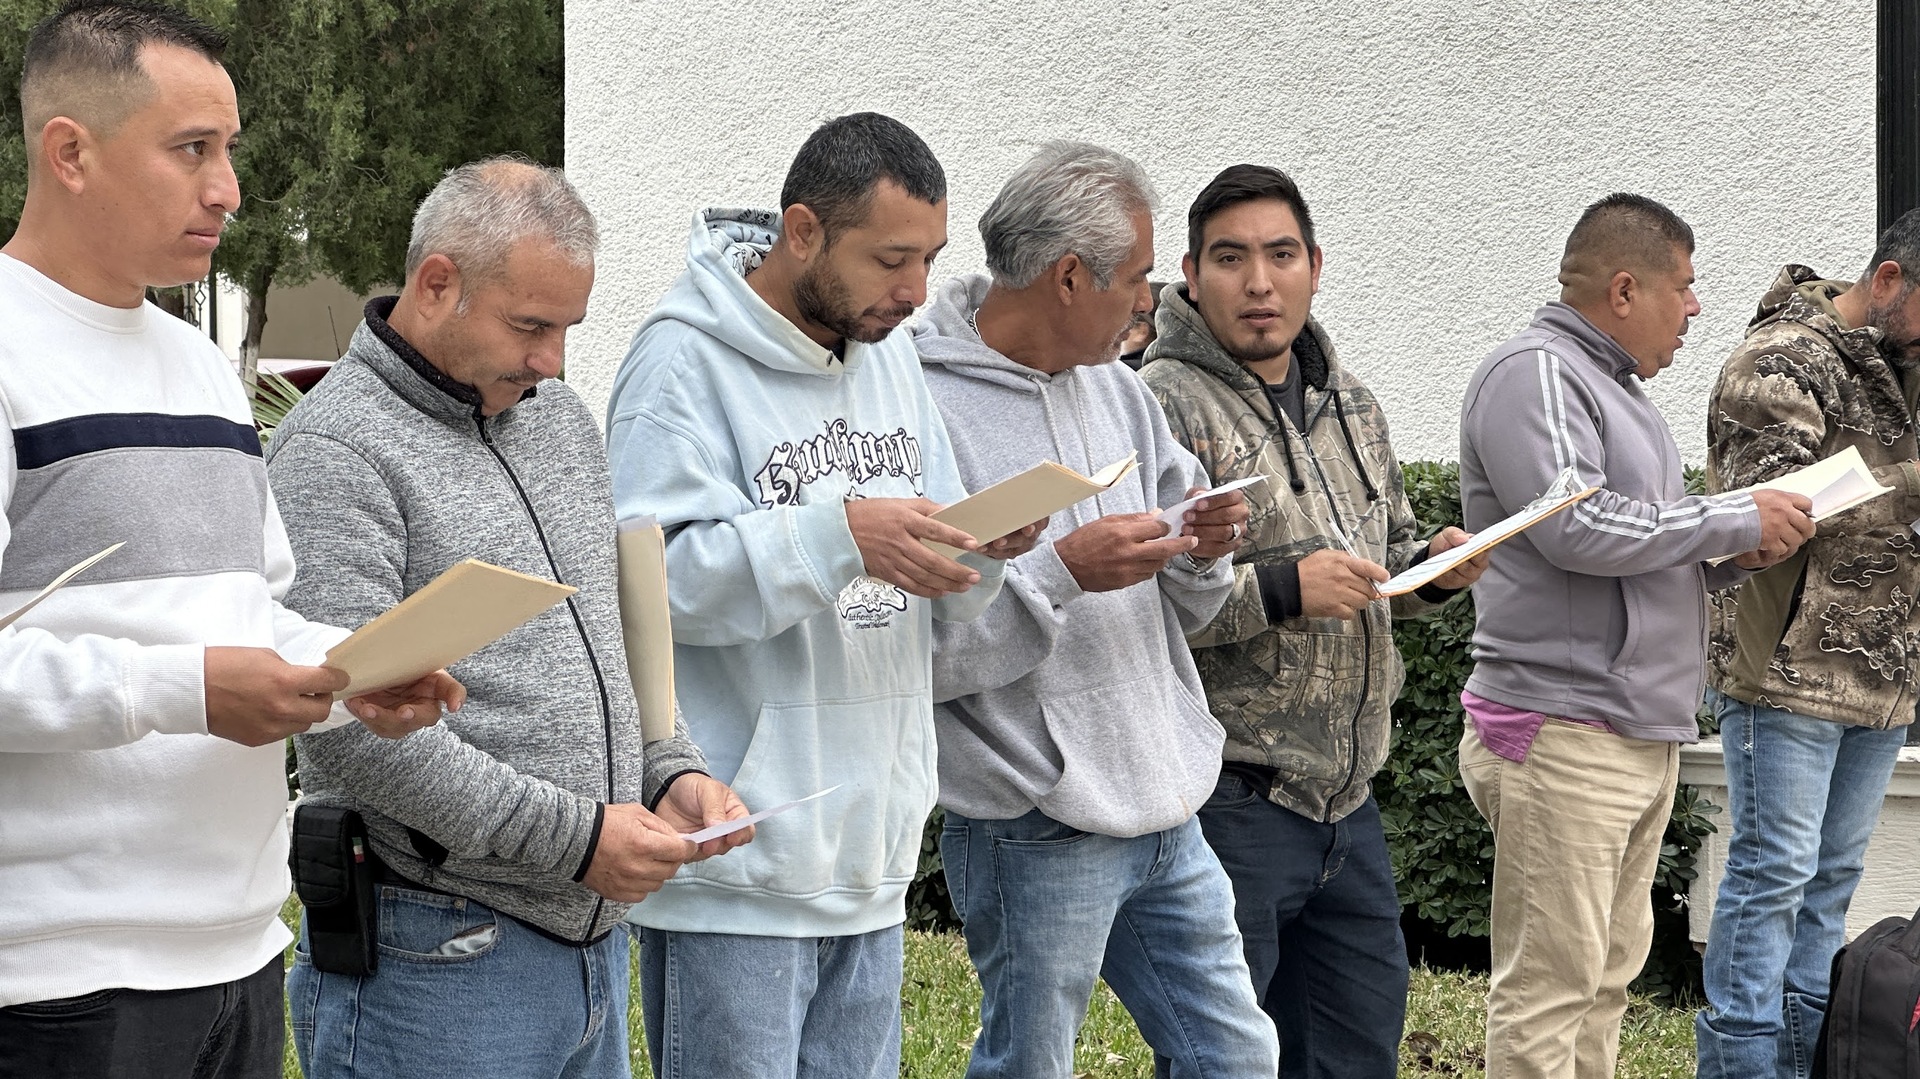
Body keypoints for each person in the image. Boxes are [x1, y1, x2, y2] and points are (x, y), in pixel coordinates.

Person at [0, 5, 459, 1077]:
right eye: (192, 149)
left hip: (244, 942)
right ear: (70, 151)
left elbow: (256, 609)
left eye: (230, 150)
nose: (229, 189)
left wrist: (350, 673)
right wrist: (188, 690)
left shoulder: (204, 364)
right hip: (56, 974)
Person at [266, 157, 748, 1078]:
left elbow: (606, 644)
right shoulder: (333, 450)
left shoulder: (560, 421)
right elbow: (347, 729)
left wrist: (667, 767)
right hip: (433, 954)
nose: (552, 360)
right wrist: (577, 842)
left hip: (587, 946)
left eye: (567, 327)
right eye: (530, 325)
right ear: (437, 281)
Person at [604, 112, 1038, 1079]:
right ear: (803, 230)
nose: (916, 293)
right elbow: (653, 586)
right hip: (738, 860)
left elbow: (939, 590)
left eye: (929, 259)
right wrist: (839, 533)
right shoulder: (680, 363)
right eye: (891, 259)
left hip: (869, 856)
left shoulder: (886, 355)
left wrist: (983, 548)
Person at [914, 141, 1277, 1079]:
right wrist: (1063, 569)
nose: (1152, 298)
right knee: (1031, 1066)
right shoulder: (918, 407)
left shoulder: (1119, 388)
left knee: (1237, 1057)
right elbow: (923, 652)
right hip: (1035, 817)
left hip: (1165, 798)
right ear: (1070, 277)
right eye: (1140, 276)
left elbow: (1188, 606)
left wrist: (1204, 547)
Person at [1457, 192, 1817, 1079]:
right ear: (1625, 289)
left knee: (1605, 983)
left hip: (1631, 733)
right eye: (1684, 286)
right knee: (1552, 990)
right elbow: (1574, 527)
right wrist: (1729, 515)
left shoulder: (1622, 395)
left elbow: (1644, 545)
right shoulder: (1536, 372)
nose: (1696, 308)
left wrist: (1741, 551)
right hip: (1565, 729)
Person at [1140, 163, 1487, 1079]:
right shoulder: (1156, 406)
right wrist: (1286, 588)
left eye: (1281, 254)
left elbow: (1386, 571)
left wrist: (1440, 573)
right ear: (1190, 270)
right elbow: (1140, 609)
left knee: (1355, 1057)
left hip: (1348, 802)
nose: (1260, 281)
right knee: (1222, 1061)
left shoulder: (1356, 406)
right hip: (1231, 799)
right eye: (1232, 258)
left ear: (1316, 265)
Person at [1693, 208, 1920, 1079]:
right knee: (1771, 879)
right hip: (1787, 672)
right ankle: (1744, 1069)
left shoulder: (1905, 363)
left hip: (1883, 676)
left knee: (1829, 891)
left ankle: (1805, 1066)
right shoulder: (1782, 358)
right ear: (1891, 280)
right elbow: (1765, 505)